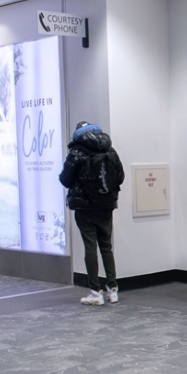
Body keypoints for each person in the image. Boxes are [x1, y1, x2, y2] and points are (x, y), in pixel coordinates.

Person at [59, 121, 125, 306]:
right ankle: (112, 290)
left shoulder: (76, 153)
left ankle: (95, 291)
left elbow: (65, 179)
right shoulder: (109, 150)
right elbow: (120, 176)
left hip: (85, 207)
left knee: (90, 247)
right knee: (106, 246)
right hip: (106, 205)